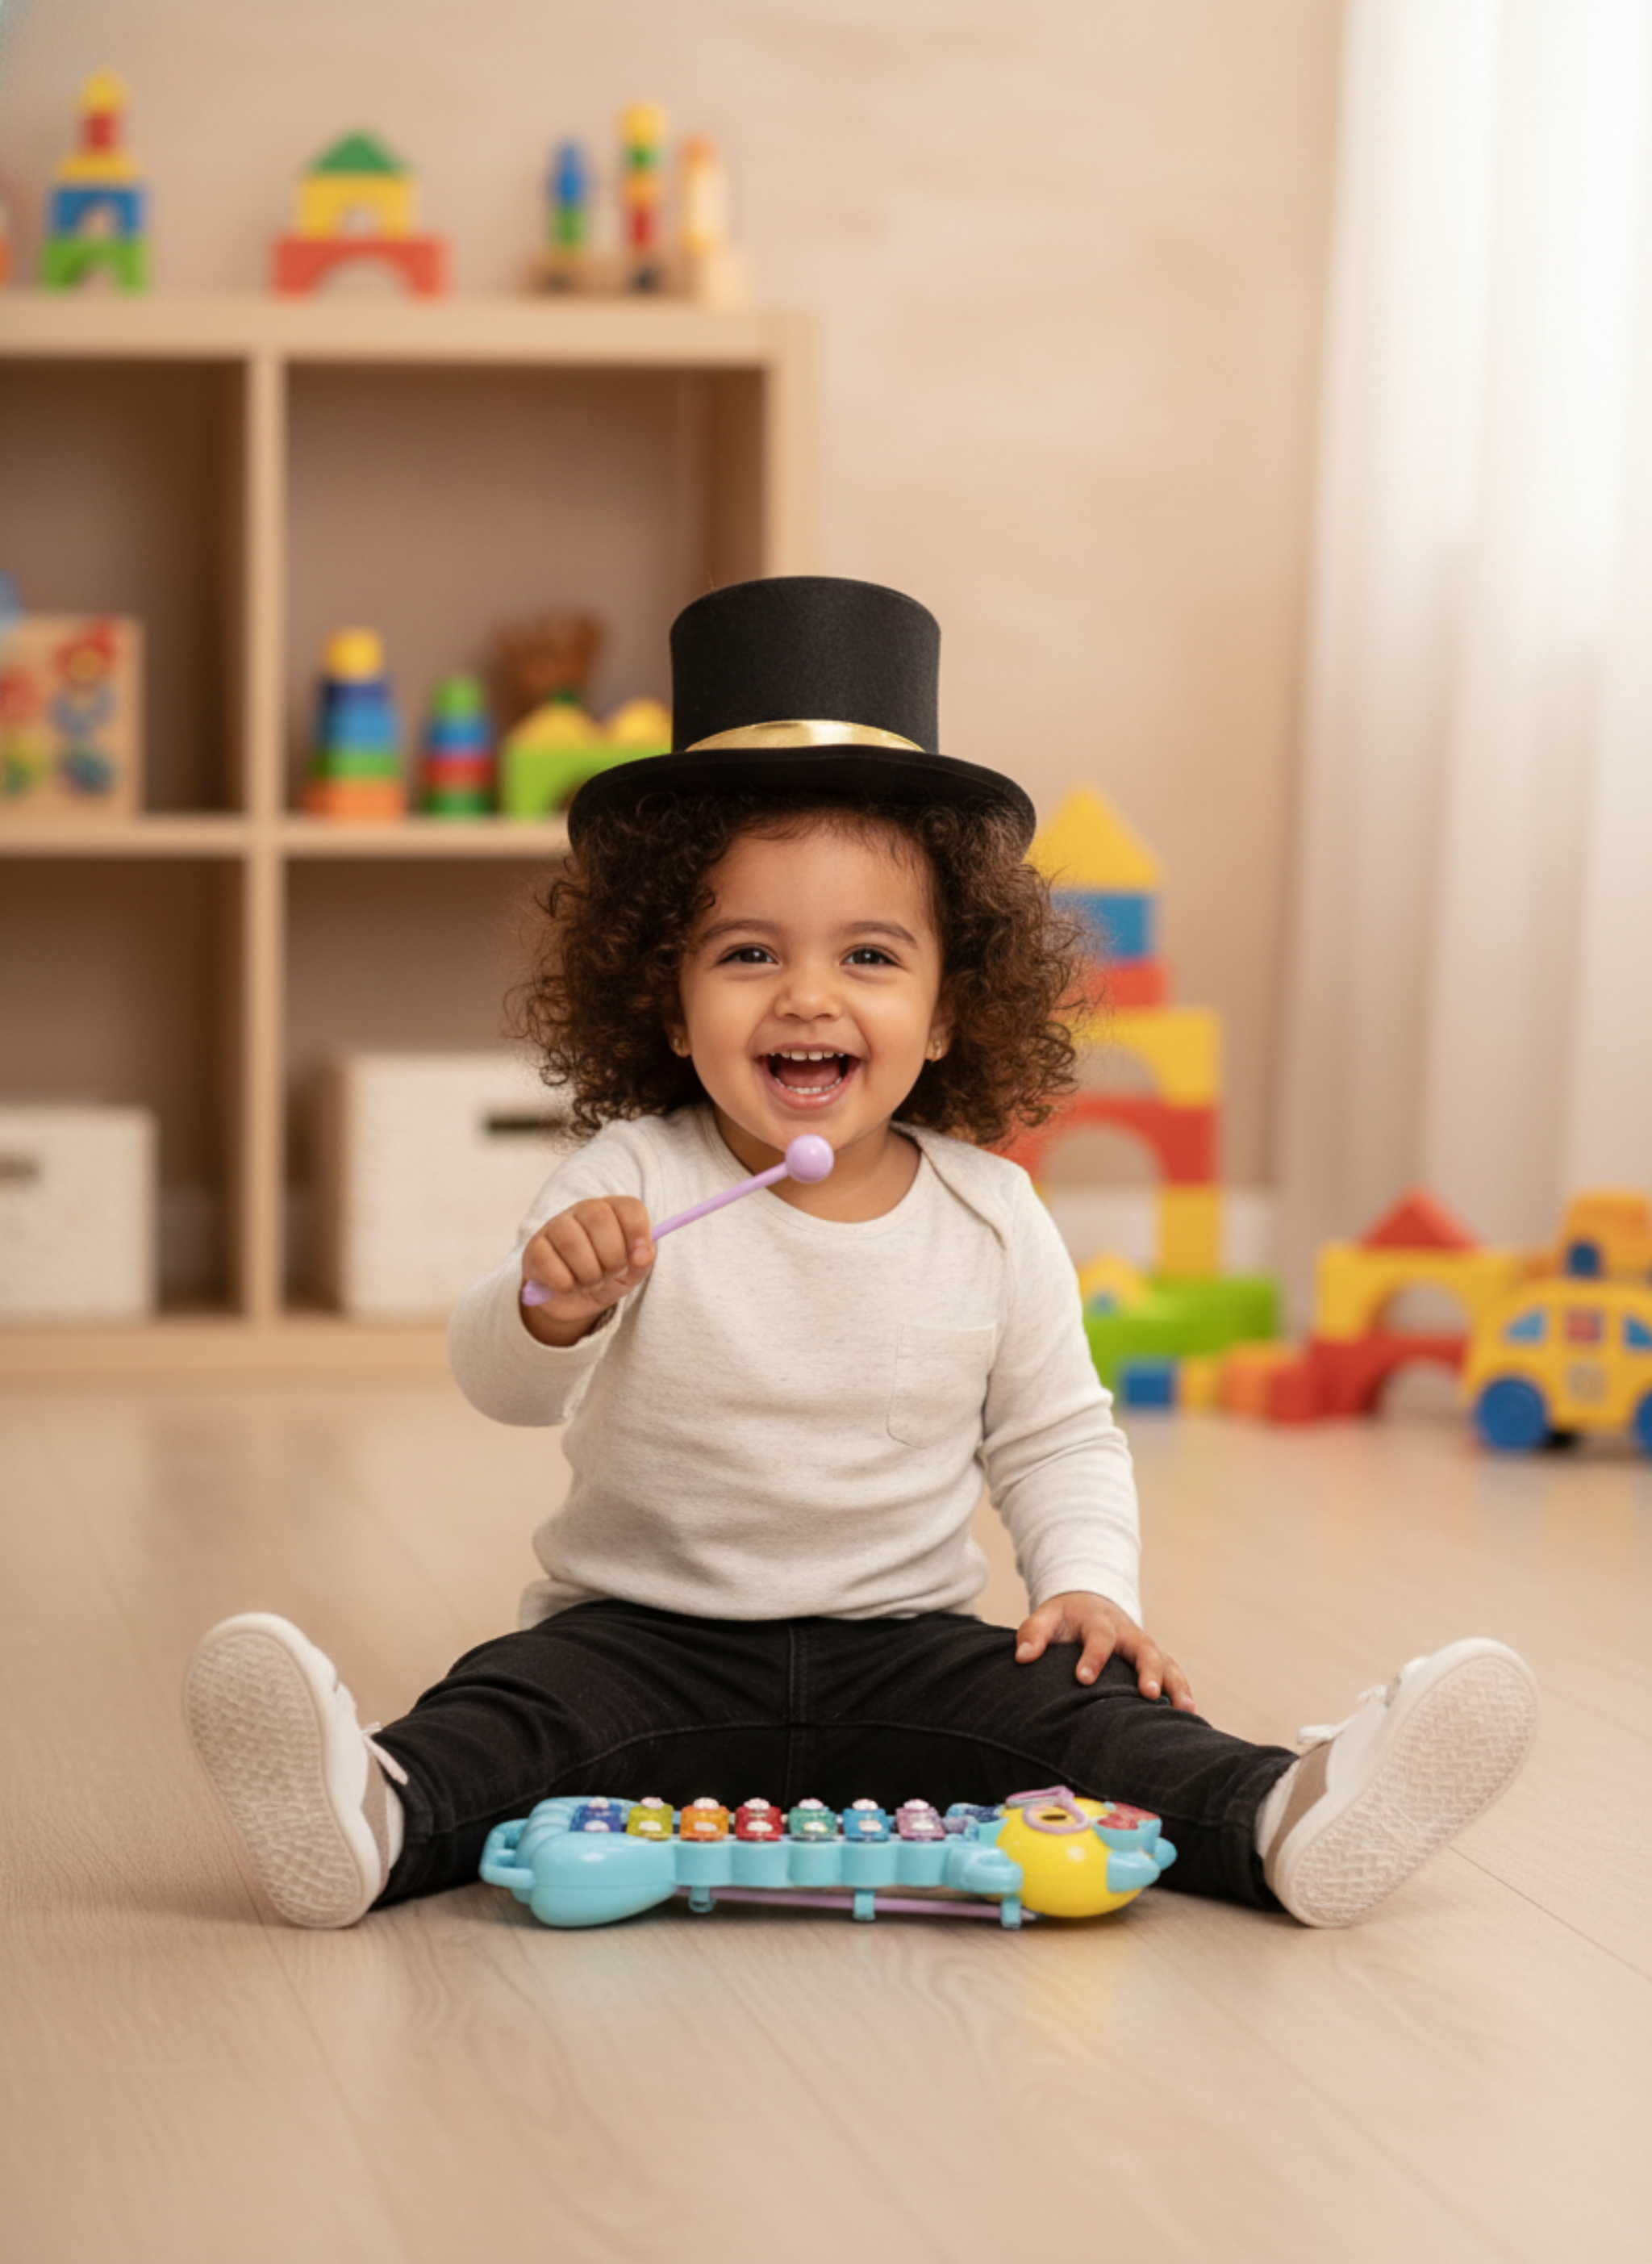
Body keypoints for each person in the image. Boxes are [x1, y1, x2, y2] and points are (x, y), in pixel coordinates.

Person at [184, 575, 1537, 1932]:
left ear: (950, 1011)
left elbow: (1057, 1435)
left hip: (911, 1655)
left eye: (872, 955)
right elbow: (506, 1384)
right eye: (750, 951)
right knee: (512, 1709)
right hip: (643, 1641)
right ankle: (373, 1807)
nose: (809, 994)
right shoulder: (633, 1176)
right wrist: (546, 1303)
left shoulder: (991, 1213)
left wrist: (1085, 1587)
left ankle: (1280, 1812)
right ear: (667, 998)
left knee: (1097, 1719)